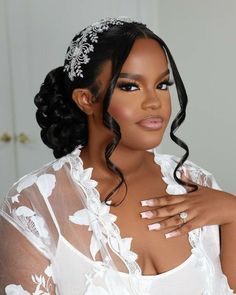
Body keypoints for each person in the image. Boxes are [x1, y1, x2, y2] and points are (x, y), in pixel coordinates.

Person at [0, 16, 235, 295]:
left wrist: (233, 212)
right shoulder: (34, 203)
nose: (154, 102)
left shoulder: (195, 180)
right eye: (130, 86)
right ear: (86, 99)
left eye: (162, 85)